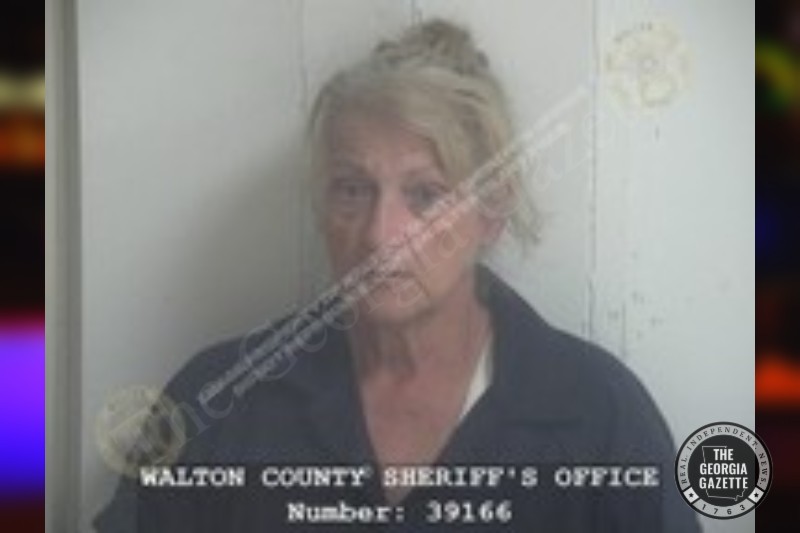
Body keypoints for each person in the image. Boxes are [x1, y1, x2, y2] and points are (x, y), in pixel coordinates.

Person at [94, 19, 700, 533]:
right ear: (320, 207)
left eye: (426, 194)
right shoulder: (218, 401)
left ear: (492, 211)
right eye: (352, 190)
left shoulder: (599, 413)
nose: (381, 236)